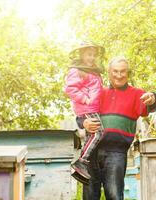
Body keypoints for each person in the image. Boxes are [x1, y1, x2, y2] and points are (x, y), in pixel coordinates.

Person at [78, 56, 156, 200]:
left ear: (128, 73)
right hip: (91, 151)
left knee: (114, 195)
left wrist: (153, 98)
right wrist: (84, 123)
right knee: (89, 196)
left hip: (116, 152)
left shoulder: (136, 94)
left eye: (123, 71)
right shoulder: (98, 92)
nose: (119, 75)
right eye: (115, 71)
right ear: (109, 73)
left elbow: (151, 104)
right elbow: (81, 114)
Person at [64, 41, 105, 185]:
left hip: (93, 108)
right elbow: (70, 89)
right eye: (89, 54)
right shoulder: (77, 70)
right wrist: (85, 99)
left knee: (92, 135)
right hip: (87, 108)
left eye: (94, 55)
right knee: (98, 133)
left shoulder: (93, 72)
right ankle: (81, 162)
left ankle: (81, 170)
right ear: (82, 55)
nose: (92, 57)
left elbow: (97, 90)